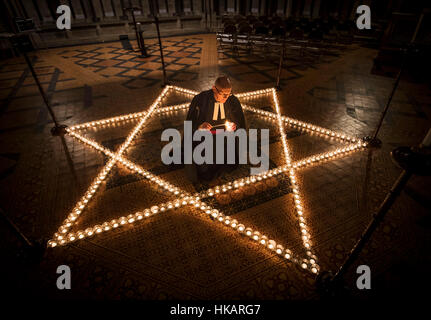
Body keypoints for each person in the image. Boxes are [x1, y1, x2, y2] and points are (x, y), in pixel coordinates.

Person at [184, 76, 246, 183]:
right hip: (205, 139)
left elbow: (239, 122)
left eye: (229, 94)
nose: (226, 98)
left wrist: (234, 126)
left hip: (225, 139)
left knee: (230, 162)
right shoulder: (200, 99)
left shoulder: (232, 100)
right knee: (205, 169)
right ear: (214, 89)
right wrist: (199, 127)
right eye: (224, 95)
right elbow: (189, 123)